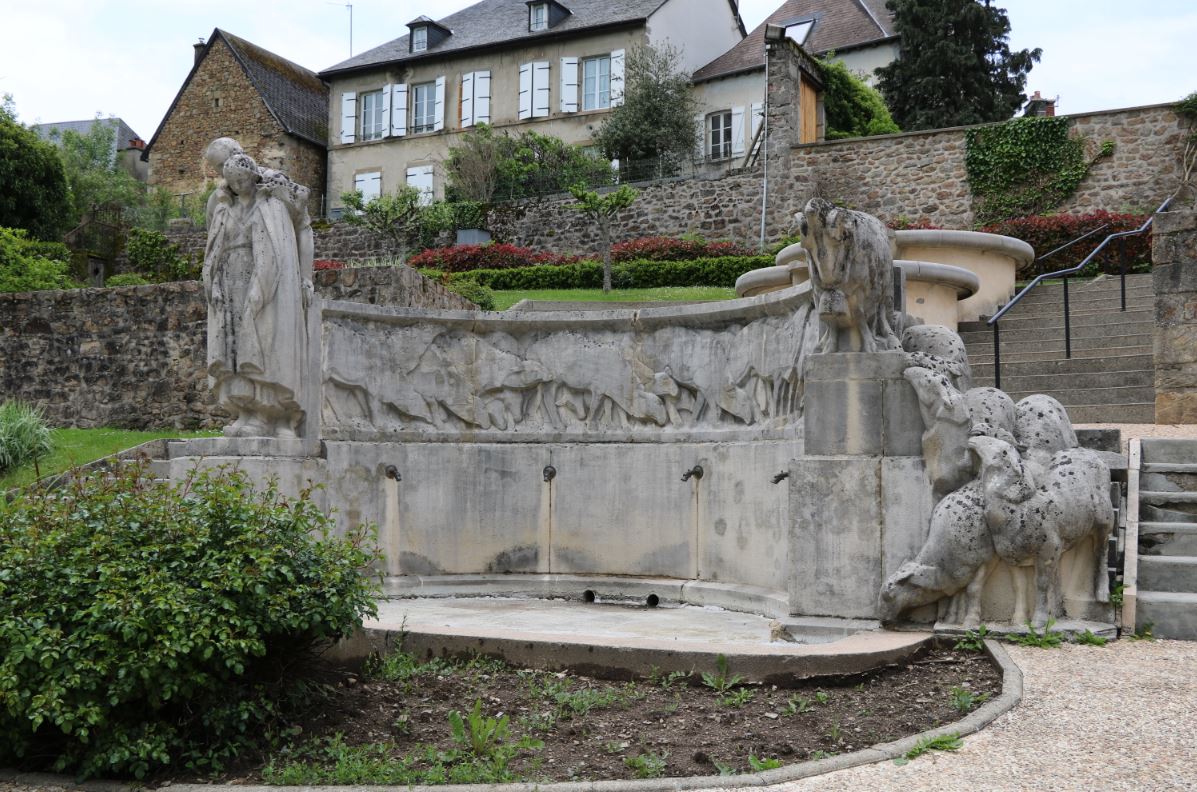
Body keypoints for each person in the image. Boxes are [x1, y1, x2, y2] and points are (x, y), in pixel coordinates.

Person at [203, 151, 306, 437]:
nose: (238, 186)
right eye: (232, 182)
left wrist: (305, 279)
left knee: (262, 343)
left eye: (242, 180)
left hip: (263, 280)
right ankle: (244, 412)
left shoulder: (270, 203)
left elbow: (288, 236)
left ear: (252, 177)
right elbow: (214, 247)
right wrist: (213, 283)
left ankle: (265, 414)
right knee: (233, 348)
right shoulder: (224, 207)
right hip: (229, 281)